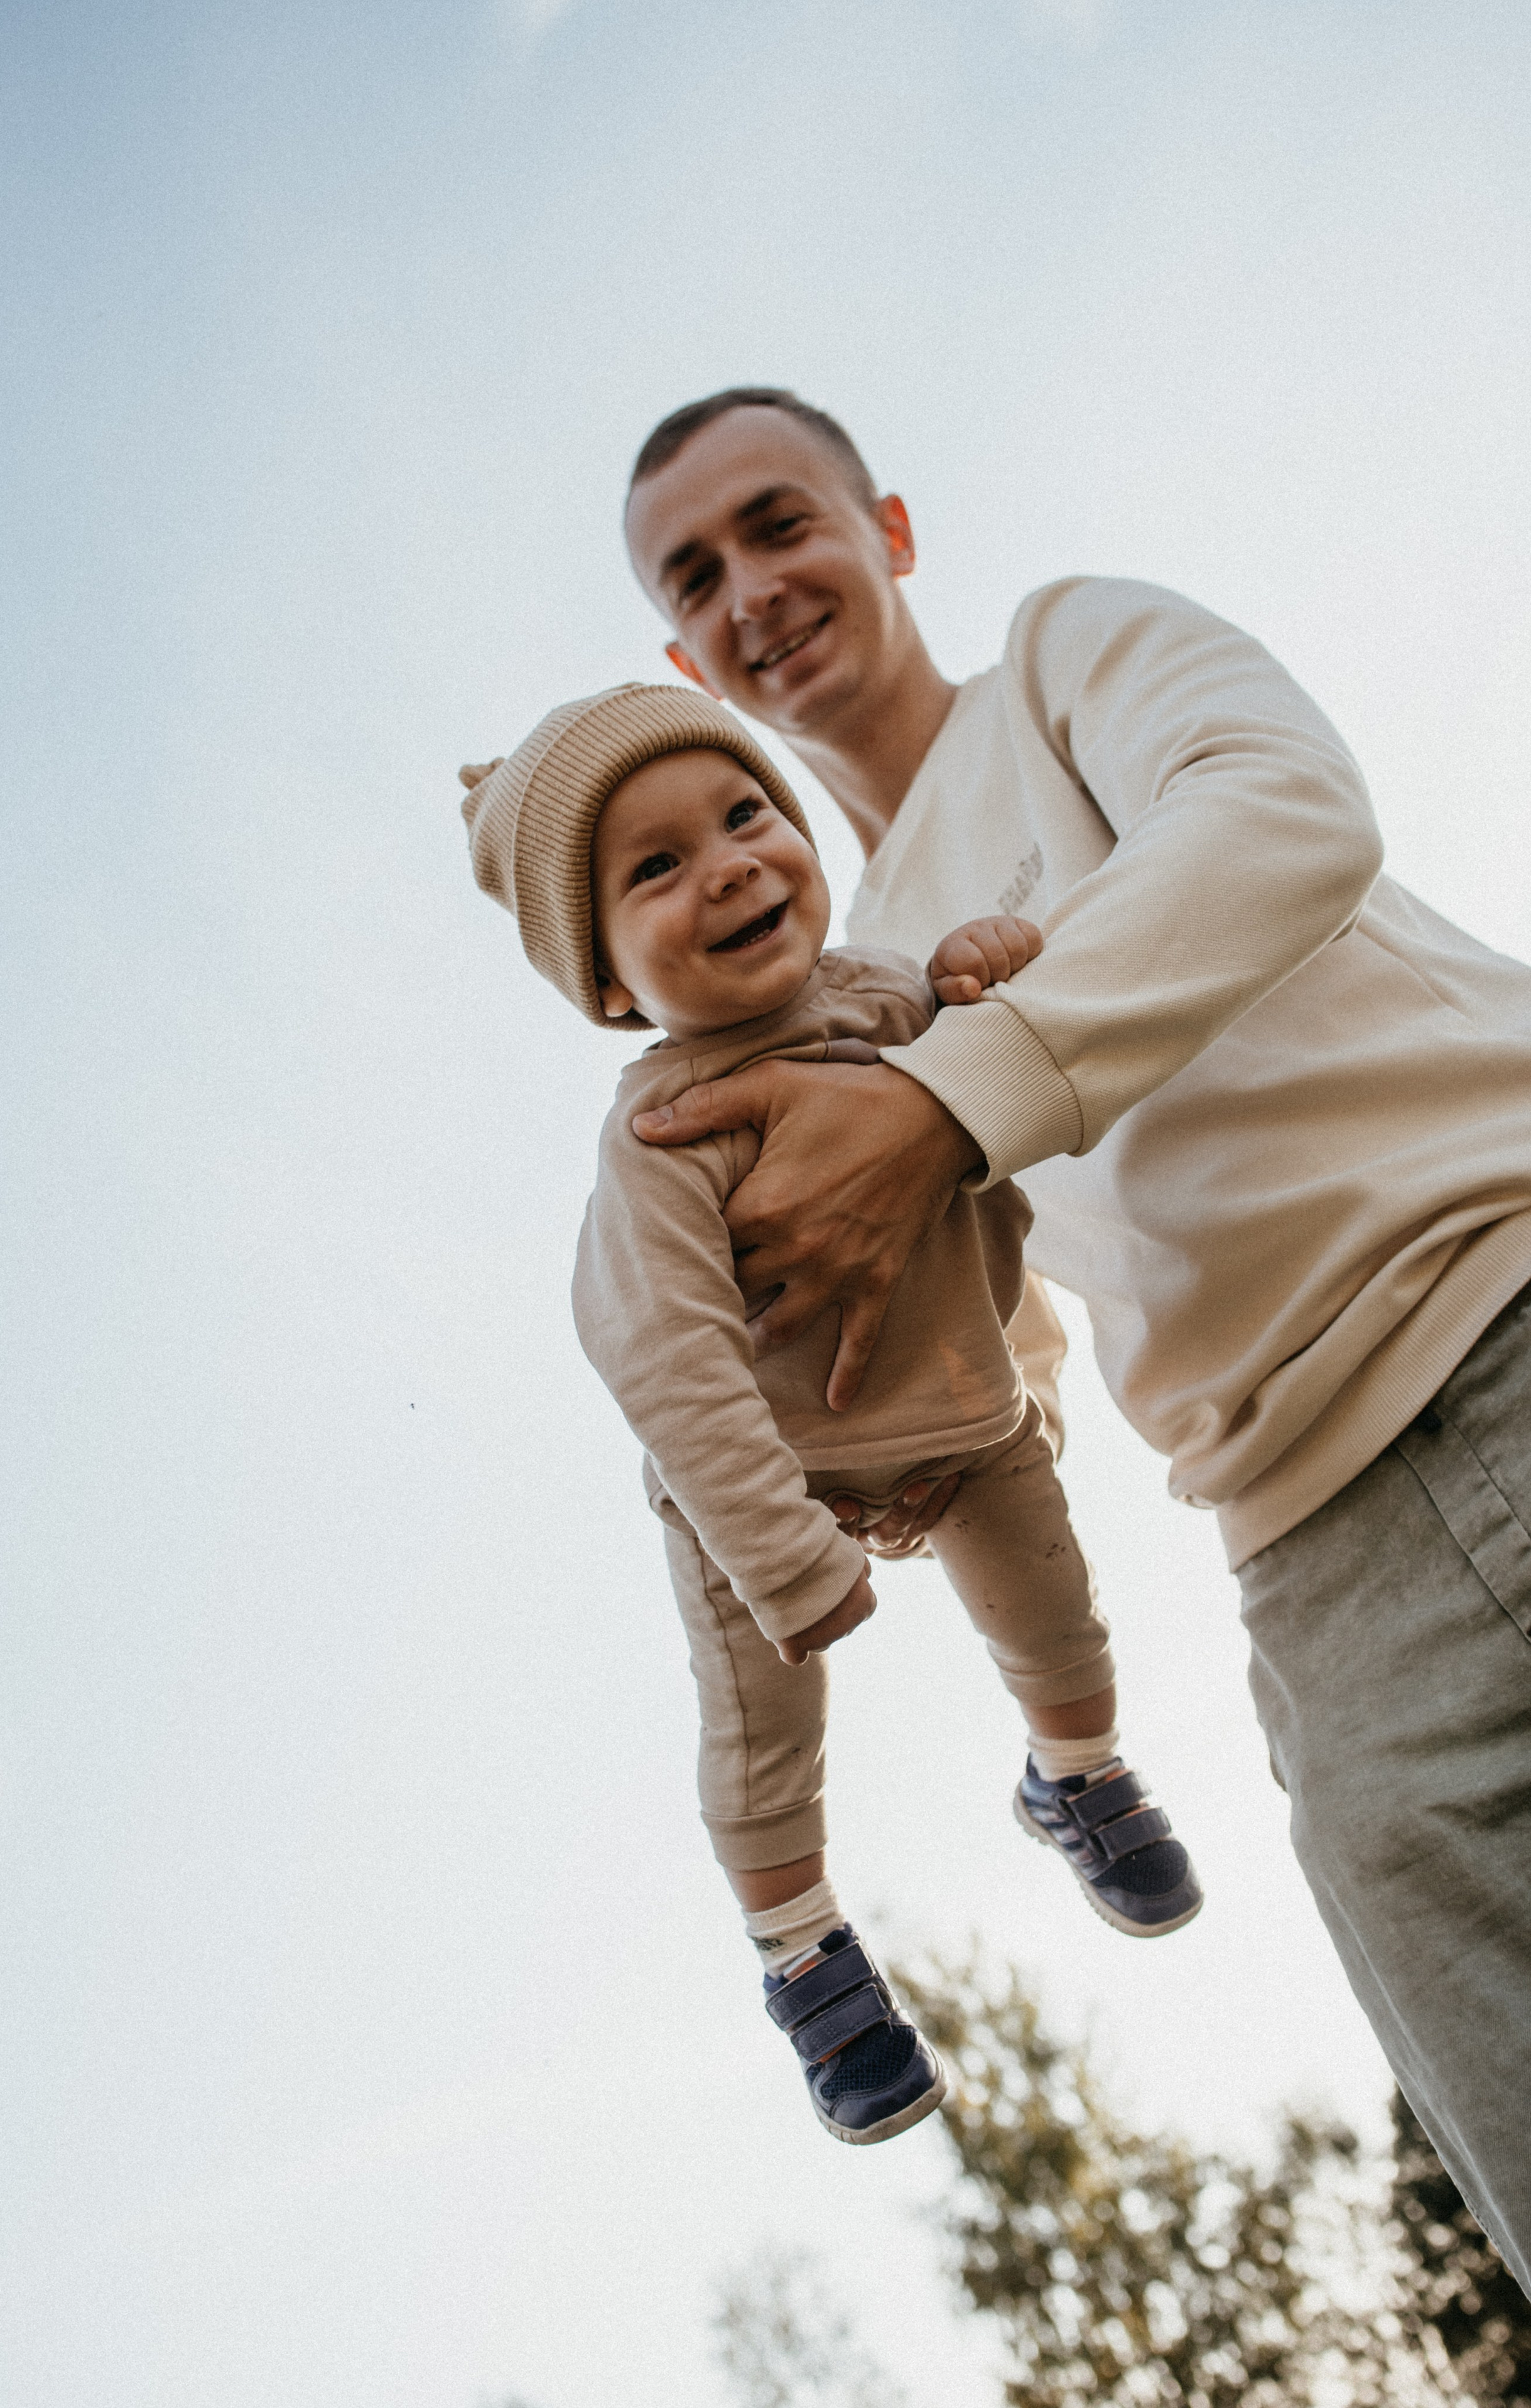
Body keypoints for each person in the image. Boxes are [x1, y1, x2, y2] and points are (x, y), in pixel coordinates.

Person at [619, 387, 1531, 2279]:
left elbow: (1284, 810)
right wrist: (885, 1451)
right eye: (696, 578)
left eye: (781, 523)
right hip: (1313, 1564)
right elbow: (1001, 1305)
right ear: (679, 655)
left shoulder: (1065, 654)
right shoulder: (831, 985)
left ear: (888, 525)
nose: (755, 588)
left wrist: (951, 1093)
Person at [461, 681, 1201, 2146]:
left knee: (1060, 1625)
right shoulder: (664, 1134)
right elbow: (659, 1355)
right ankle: (805, 1955)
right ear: (608, 980)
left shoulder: (893, 995)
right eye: (655, 869)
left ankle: (1074, 1779)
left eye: (744, 817)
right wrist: (783, 1551)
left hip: (963, 1425)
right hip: (759, 1496)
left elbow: (1032, 1060)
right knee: (761, 1738)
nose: (728, 865)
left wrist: (999, 966)